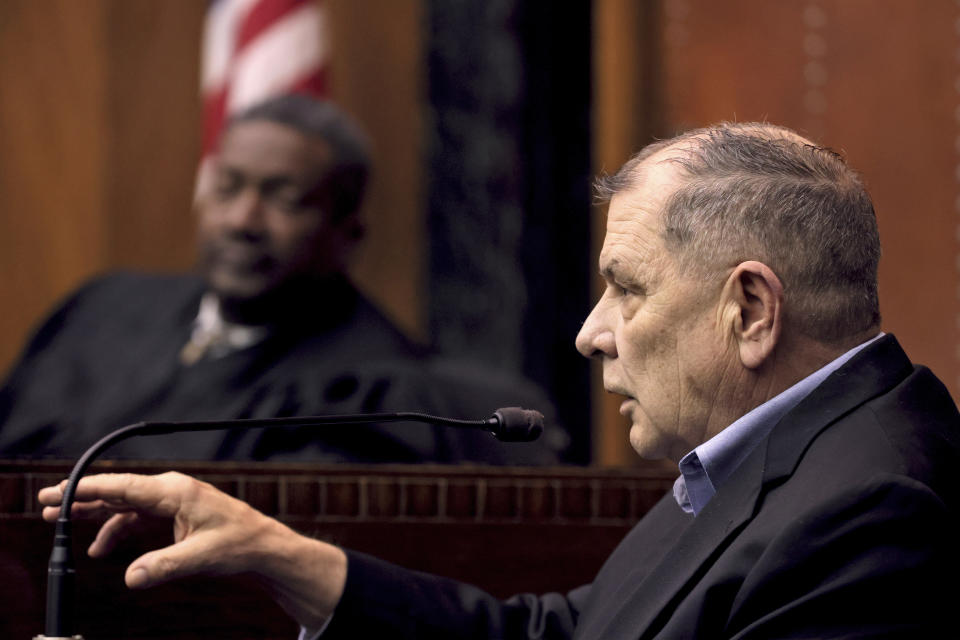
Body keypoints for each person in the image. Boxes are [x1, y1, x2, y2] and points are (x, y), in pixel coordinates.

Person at [40, 122, 960, 637]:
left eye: (626, 290)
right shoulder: (787, 455)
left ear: (750, 312)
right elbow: (563, 637)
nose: (591, 333)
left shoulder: (872, 511)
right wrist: (283, 556)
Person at [2, 94, 562, 464]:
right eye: (227, 188)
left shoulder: (371, 391)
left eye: (284, 200)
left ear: (347, 232)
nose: (242, 221)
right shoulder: (103, 308)